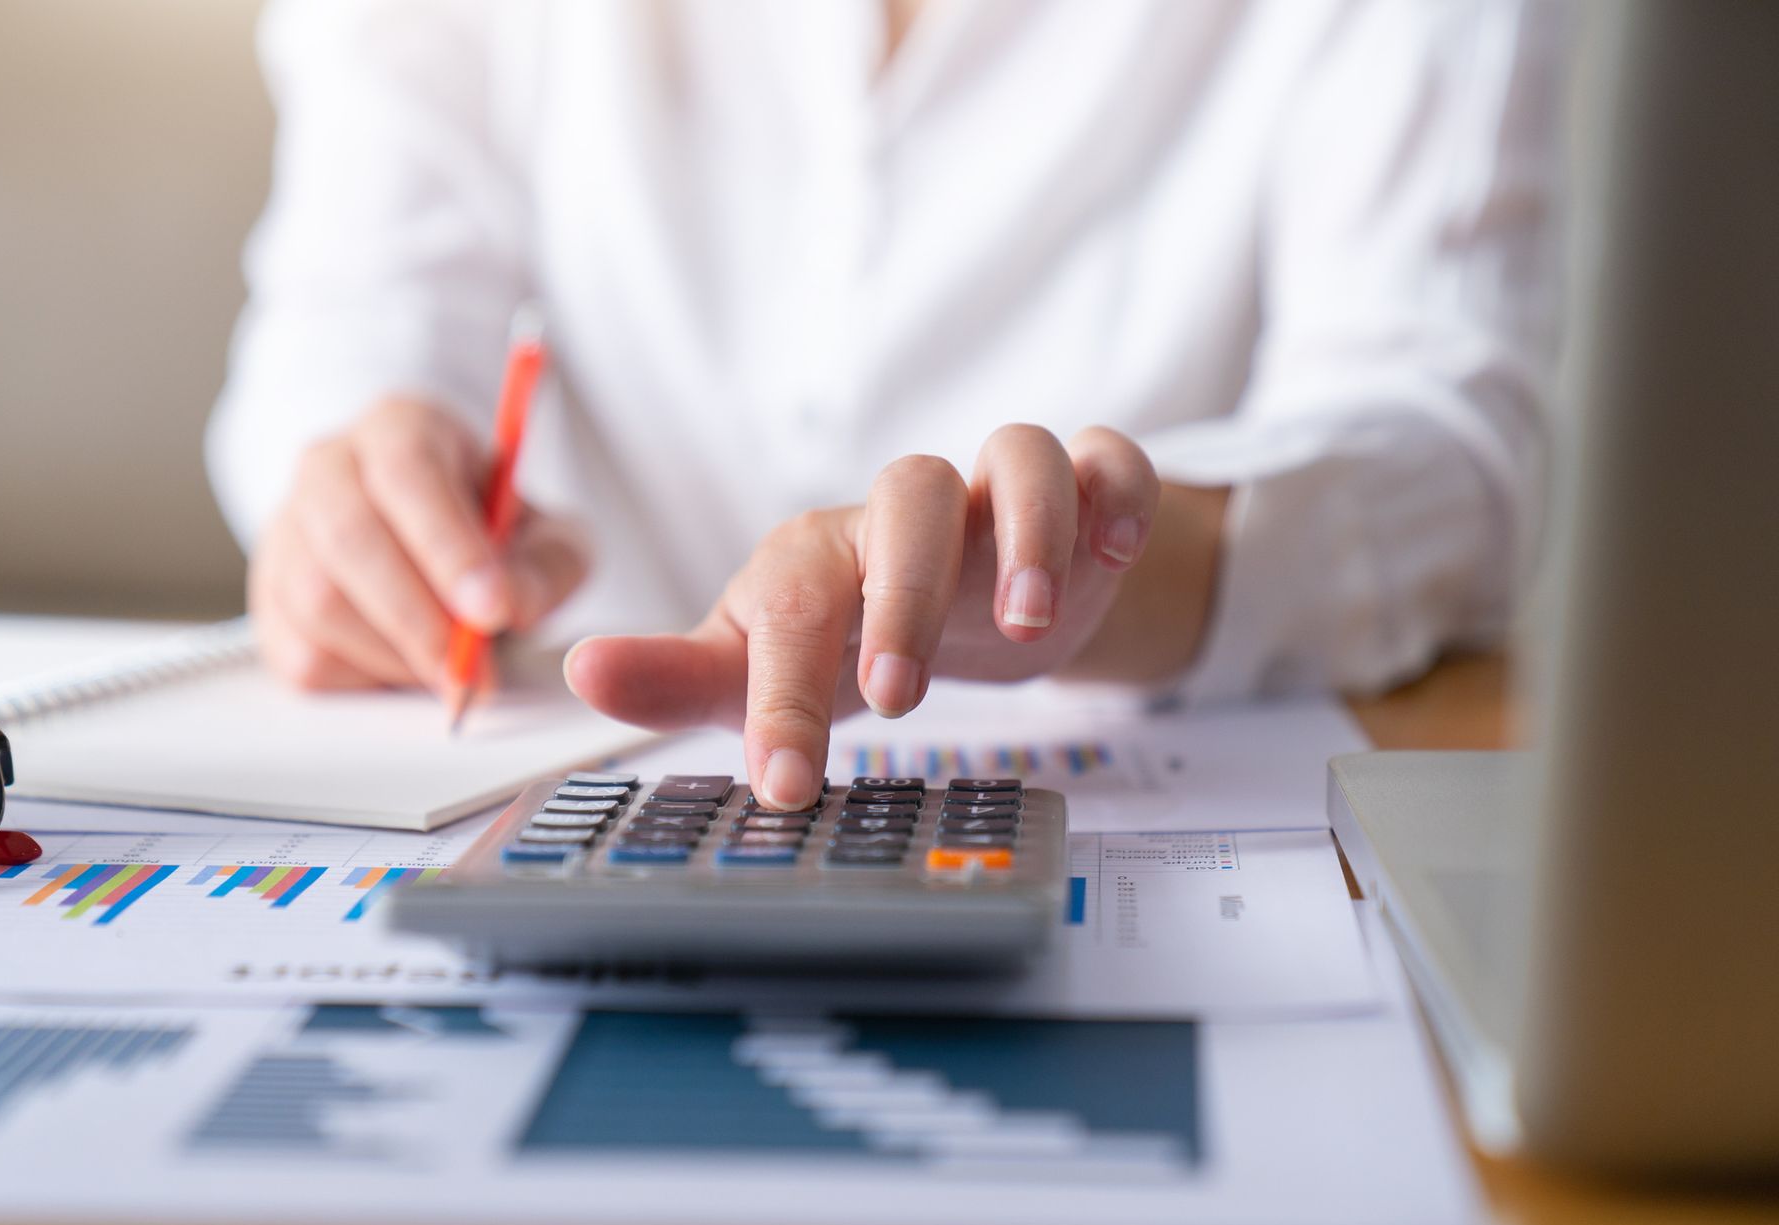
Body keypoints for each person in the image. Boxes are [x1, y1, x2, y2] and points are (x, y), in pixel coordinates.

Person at [208, 0, 1562, 810]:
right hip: (527, 771)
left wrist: (1099, 576)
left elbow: (1444, 436)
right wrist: (354, 498)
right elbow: (345, 325)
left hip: (1128, 800)